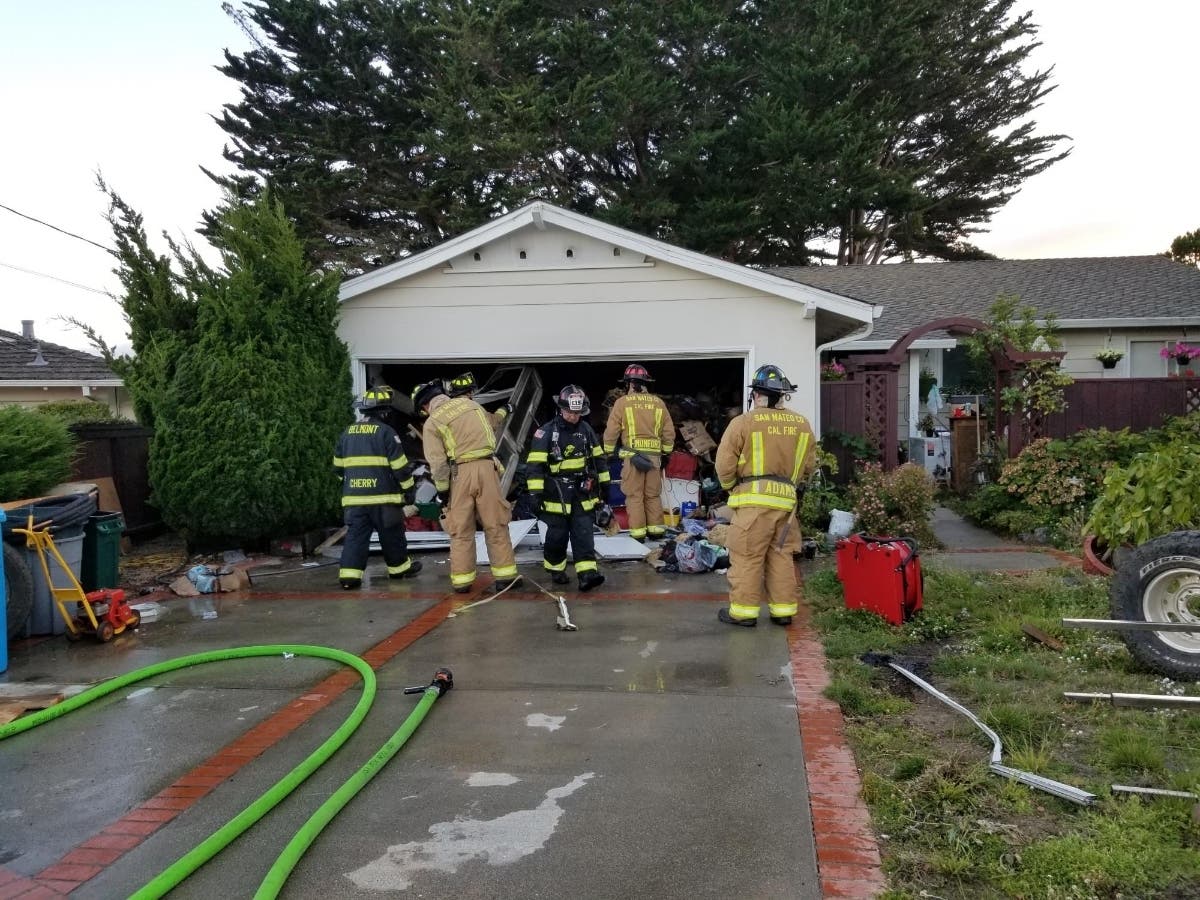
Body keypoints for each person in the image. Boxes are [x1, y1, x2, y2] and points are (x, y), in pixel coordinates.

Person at [714, 364, 816, 627]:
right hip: (786, 505)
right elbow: (808, 466)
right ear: (783, 395)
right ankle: (783, 611)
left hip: (752, 505)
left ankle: (744, 613)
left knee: (747, 556)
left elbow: (724, 464)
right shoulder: (802, 424)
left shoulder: (744, 422)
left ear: (758, 395)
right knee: (780, 555)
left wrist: (730, 487)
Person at [412, 378, 520, 594]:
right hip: (488, 468)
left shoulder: (433, 422)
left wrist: (443, 492)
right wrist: (503, 410)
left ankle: (462, 581)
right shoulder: (472, 405)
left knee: (461, 529)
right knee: (496, 524)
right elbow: (492, 422)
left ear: (425, 406)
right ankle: (505, 577)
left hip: (459, 474)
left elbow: (438, 463)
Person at [333, 386, 421, 589]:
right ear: (383, 412)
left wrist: (351, 486)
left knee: (355, 538)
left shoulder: (347, 433)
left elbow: (338, 468)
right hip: (384, 500)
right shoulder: (386, 433)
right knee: (392, 535)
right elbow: (400, 468)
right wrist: (408, 491)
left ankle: (349, 578)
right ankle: (399, 570)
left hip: (354, 501)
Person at [526, 385, 609, 592]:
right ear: (561, 409)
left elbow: (599, 458)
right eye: (570, 412)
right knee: (558, 537)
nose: (573, 416)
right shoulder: (545, 432)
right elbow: (535, 466)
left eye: (577, 412)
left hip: (582, 492)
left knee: (583, 533)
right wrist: (535, 494)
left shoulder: (586, 430)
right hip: (556, 494)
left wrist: (604, 485)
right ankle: (556, 569)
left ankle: (587, 574)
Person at [602, 363, 675, 541]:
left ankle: (638, 534)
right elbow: (669, 433)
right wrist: (666, 454)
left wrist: (609, 452)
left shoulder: (622, 403)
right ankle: (656, 531)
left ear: (628, 384)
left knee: (634, 496)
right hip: (654, 459)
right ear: (646, 383)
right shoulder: (659, 403)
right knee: (652, 495)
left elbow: (611, 431)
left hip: (632, 456)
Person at [448, 371, 509, 436]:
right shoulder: (473, 407)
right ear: (469, 393)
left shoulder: (445, 409)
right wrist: (504, 409)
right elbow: (493, 423)